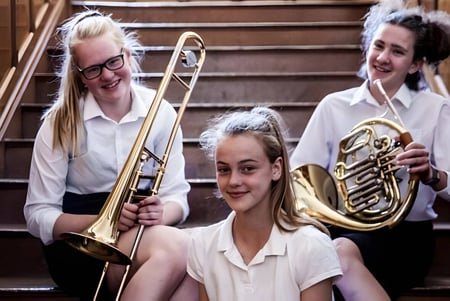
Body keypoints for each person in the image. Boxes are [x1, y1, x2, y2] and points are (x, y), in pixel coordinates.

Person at [23, 10, 197, 301]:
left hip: (142, 234)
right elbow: (37, 215)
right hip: (79, 245)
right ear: (80, 77)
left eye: (114, 61)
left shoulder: (161, 112)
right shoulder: (60, 121)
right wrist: (105, 219)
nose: (107, 75)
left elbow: (177, 198)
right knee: (182, 250)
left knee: (193, 270)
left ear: (127, 55)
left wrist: (161, 213)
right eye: (93, 69)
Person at [289, 0, 450, 300]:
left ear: (415, 65)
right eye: (379, 46)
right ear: (367, 49)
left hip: (406, 238)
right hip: (341, 227)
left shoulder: (436, 108)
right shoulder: (333, 106)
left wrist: (431, 174)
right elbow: (299, 179)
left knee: (335, 256)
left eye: (397, 51)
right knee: (324, 253)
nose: (383, 58)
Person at [187, 107, 342, 301]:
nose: (234, 180)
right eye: (224, 170)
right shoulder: (203, 244)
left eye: (248, 168)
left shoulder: (310, 245)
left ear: (276, 168)